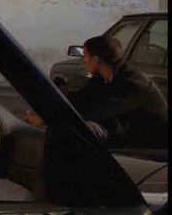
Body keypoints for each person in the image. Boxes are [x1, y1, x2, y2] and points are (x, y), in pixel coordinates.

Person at [27, 35, 167, 149]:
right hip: (122, 131)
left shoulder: (132, 83)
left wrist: (49, 118)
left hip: (146, 142)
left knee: (75, 130)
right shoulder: (103, 78)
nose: (84, 60)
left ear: (96, 59)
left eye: (85, 55)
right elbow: (80, 99)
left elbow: (92, 111)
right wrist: (47, 108)